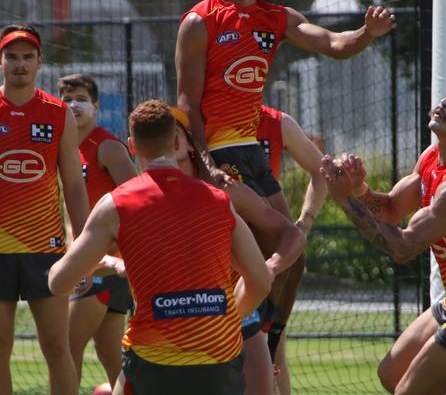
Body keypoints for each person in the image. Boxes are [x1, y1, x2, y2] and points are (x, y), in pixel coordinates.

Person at [49, 99, 274, 395]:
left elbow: (59, 282)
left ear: (131, 146)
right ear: (175, 140)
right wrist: (228, 317)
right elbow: (260, 279)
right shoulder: (218, 200)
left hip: (151, 362)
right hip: (217, 360)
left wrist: (106, 260)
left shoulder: (116, 204)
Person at [320, 79, 446, 394]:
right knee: (390, 374)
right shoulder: (432, 156)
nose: (445, 102)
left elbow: (403, 248)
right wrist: (359, 190)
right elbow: (390, 209)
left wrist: (345, 200)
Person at [176, 0, 396, 193]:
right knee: (271, 230)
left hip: (250, 147)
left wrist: (367, 32)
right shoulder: (199, 21)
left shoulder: (276, 18)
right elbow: (187, 104)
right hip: (217, 151)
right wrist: (205, 163)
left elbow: (334, 43)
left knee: (287, 233)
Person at [0, 24, 90, 395]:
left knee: (57, 346)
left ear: (40, 62)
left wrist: (84, 246)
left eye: (27, 57)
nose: (19, 64)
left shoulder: (58, 114)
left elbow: (73, 184)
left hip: (47, 250)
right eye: (12, 57)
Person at [170, 106, 306, 395]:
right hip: (173, 316)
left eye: (176, 130)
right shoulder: (140, 194)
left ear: (191, 144)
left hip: (236, 312)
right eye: (161, 131)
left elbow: (292, 235)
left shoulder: (226, 188)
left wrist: (271, 267)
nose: (168, 137)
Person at [57, 74, 137, 388]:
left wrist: (106, 255)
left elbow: (136, 200)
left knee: (65, 345)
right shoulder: (65, 149)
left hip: (105, 267)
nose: (73, 105)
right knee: (110, 355)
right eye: (67, 99)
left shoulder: (107, 147)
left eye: (80, 99)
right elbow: (70, 205)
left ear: (96, 106)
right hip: (87, 262)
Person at [256, 104, 327, 395]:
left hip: (268, 253)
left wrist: (304, 223)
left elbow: (322, 170)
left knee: (273, 352)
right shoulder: (199, 118)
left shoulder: (276, 123)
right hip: (218, 252)